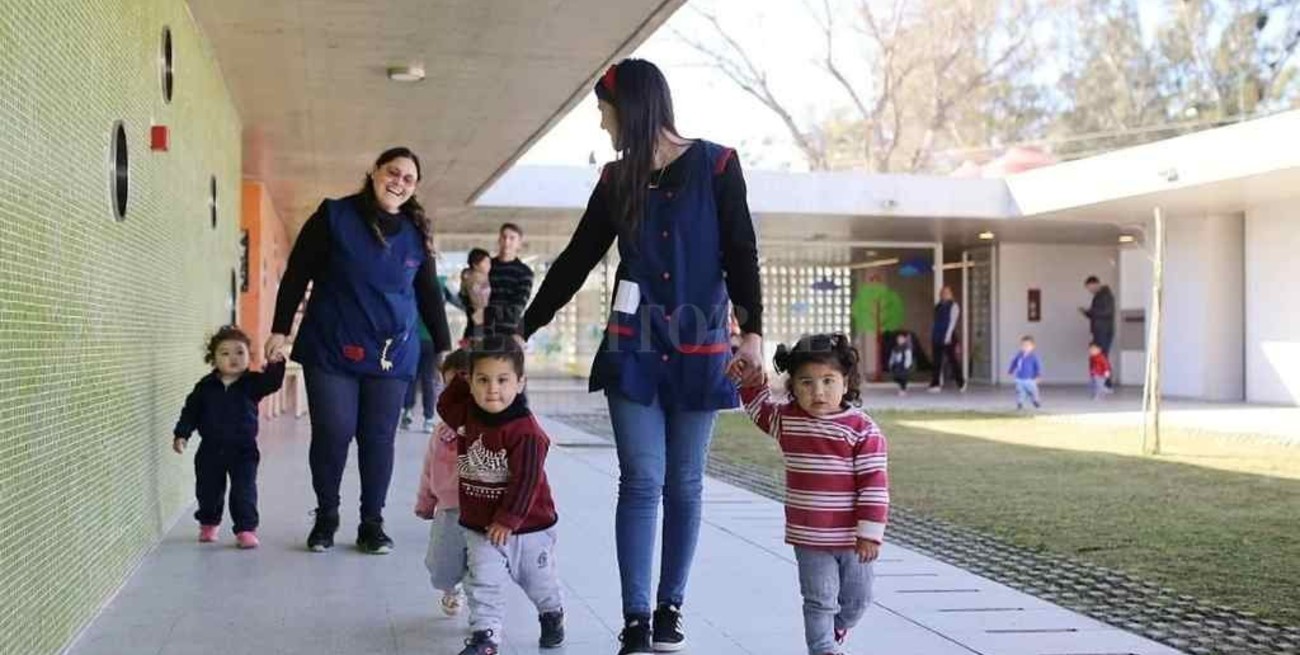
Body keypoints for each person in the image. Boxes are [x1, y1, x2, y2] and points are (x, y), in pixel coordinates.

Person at [518, 58, 764, 654]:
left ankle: (668, 607)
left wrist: (754, 331)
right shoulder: (614, 181)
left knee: (684, 481)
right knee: (641, 479)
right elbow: (576, 260)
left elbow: (741, 250)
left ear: (628, 108)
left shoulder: (719, 165)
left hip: (701, 346)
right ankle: (633, 618)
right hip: (633, 348)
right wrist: (521, 329)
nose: (603, 126)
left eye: (604, 113)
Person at [266, 146, 452, 555]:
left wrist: (443, 349)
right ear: (373, 172)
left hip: (391, 351)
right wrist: (280, 329)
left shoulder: (415, 233)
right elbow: (297, 273)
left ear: (415, 187)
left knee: (378, 438)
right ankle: (327, 515)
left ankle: (372, 523)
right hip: (331, 346)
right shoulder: (334, 216)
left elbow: (428, 294)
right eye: (393, 172)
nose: (399, 182)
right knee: (333, 432)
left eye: (408, 179)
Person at [736, 334, 888, 655]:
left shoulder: (863, 430)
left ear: (845, 384)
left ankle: (837, 627)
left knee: (858, 599)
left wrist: (870, 533)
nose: (817, 392)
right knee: (819, 599)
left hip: (852, 538)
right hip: (809, 536)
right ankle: (823, 648)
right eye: (806, 383)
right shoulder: (788, 420)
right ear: (793, 387)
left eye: (828, 381)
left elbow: (874, 484)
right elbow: (758, 407)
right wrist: (751, 378)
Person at [437, 336, 564, 654]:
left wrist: (508, 520)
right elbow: (444, 406)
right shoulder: (468, 413)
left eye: (502, 380)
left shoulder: (526, 431)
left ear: (520, 383)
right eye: (482, 380)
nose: (492, 388)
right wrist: (464, 370)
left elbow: (527, 480)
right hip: (480, 526)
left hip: (528, 527)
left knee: (538, 582)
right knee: (483, 582)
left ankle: (552, 613)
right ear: (470, 382)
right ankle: (486, 637)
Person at [172, 325, 286, 549]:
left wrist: (276, 363)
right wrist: (181, 434)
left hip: (243, 450)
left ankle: (245, 529)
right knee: (208, 490)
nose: (233, 358)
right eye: (225, 353)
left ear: (248, 356)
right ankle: (208, 523)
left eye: (239, 352)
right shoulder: (205, 387)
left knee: (244, 490)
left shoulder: (252, 383)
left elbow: (272, 382)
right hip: (210, 450)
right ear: (213, 358)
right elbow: (191, 412)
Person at [415, 349, 473, 617]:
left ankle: (482, 609)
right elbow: (429, 467)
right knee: (442, 564)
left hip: (482, 508)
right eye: (450, 385)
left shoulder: (490, 426)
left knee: (480, 564)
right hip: (448, 509)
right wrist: (425, 503)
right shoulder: (442, 431)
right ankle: (451, 588)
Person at [485, 224, 533, 336]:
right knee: (464, 352)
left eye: (512, 238)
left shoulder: (525, 272)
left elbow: (517, 307)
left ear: (519, 244)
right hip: (480, 330)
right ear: (499, 240)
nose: (507, 242)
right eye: (504, 237)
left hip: (508, 333)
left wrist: (488, 313)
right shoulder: (486, 267)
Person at [400, 319, 440, 433]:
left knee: (412, 377)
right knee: (428, 380)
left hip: (414, 340)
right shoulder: (433, 303)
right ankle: (428, 419)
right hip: (431, 342)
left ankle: (408, 410)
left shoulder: (413, 300)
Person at [928, 286, 965, 392]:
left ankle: (961, 382)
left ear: (950, 294)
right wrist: (933, 333)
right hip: (937, 335)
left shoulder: (954, 306)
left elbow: (952, 322)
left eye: (947, 292)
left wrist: (948, 336)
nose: (944, 294)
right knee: (936, 361)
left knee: (952, 359)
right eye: (943, 293)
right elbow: (935, 321)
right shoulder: (938, 306)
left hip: (948, 335)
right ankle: (935, 384)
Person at [1080, 275, 1115, 388]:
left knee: (1102, 357)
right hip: (1098, 331)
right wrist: (1087, 313)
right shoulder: (1098, 296)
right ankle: (1101, 382)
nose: (1090, 291)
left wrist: (1092, 312)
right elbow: (1096, 314)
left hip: (1104, 331)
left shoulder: (1106, 296)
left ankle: (1106, 383)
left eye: (1090, 288)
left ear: (1095, 284)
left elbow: (1107, 312)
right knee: (1098, 357)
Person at [460, 248, 493, 344]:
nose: (489, 266)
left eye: (489, 263)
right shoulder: (475, 281)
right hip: (479, 321)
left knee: (467, 345)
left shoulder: (472, 277)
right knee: (476, 350)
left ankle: (463, 351)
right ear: (475, 265)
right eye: (486, 263)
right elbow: (479, 305)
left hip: (475, 321)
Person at [1008, 336, 1043, 410]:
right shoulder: (1019, 356)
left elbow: (1037, 367)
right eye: (1023, 345)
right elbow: (1014, 363)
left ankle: (1035, 400)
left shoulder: (1033, 357)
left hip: (1030, 379)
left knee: (1033, 391)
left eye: (1027, 346)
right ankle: (1020, 403)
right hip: (1019, 379)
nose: (1025, 347)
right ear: (1021, 346)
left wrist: (1038, 375)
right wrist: (1011, 370)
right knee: (1021, 392)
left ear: (1032, 347)